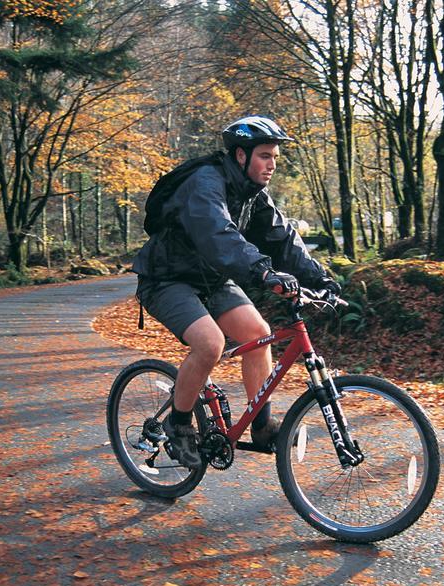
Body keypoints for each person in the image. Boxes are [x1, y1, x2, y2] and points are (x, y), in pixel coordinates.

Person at [132, 115, 341, 469]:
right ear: (241, 156)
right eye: (264, 155)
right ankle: (178, 424)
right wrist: (263, 271)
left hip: (212, 279)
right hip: (166, 279)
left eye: (274, 156)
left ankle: (261, 426)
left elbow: (284, 239)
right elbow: (219, 235)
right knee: (210, 343)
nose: (272, 164)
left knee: (259, 335)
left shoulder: (253, 194)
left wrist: (323, 281)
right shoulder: (205, 183)